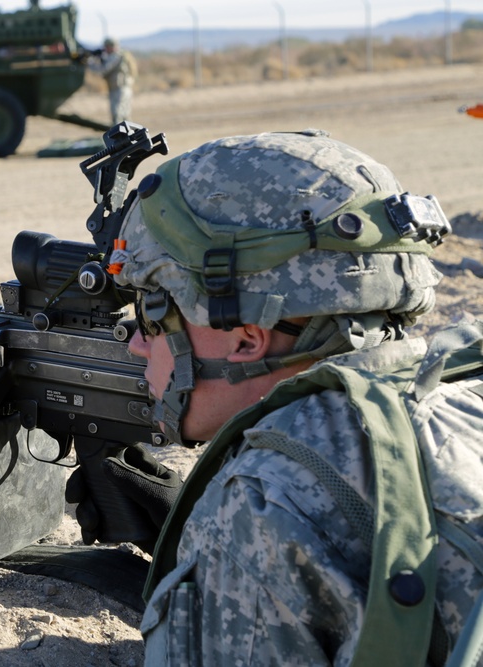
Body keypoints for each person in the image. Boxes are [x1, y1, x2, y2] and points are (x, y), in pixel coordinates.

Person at [86, 129, 483, 665]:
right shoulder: (466, 390)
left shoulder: (258, 505)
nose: (136, 342)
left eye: (154, 314)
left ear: (246, 337)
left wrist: (227, 536)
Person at [87, 37, 137, 125]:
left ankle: (121, 137)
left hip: (119, 88)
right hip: (122, 88)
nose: (106, 49)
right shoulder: (120, 55)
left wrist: (89, 62)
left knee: (117, 115)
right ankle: (129, 136)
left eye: (107, 47)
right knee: (124, 114)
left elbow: (103, 69)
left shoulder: (116, 56)